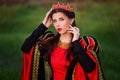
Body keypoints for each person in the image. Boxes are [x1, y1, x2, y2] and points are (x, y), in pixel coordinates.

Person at [21, 2, 104, 80]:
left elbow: (90, 69)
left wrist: (75, 41)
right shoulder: (50, 42)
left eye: (61, 19)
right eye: (54, 21)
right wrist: (43, 26)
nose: (57, 24)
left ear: (71, 20)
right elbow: (25, 48)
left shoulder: (83, 44)